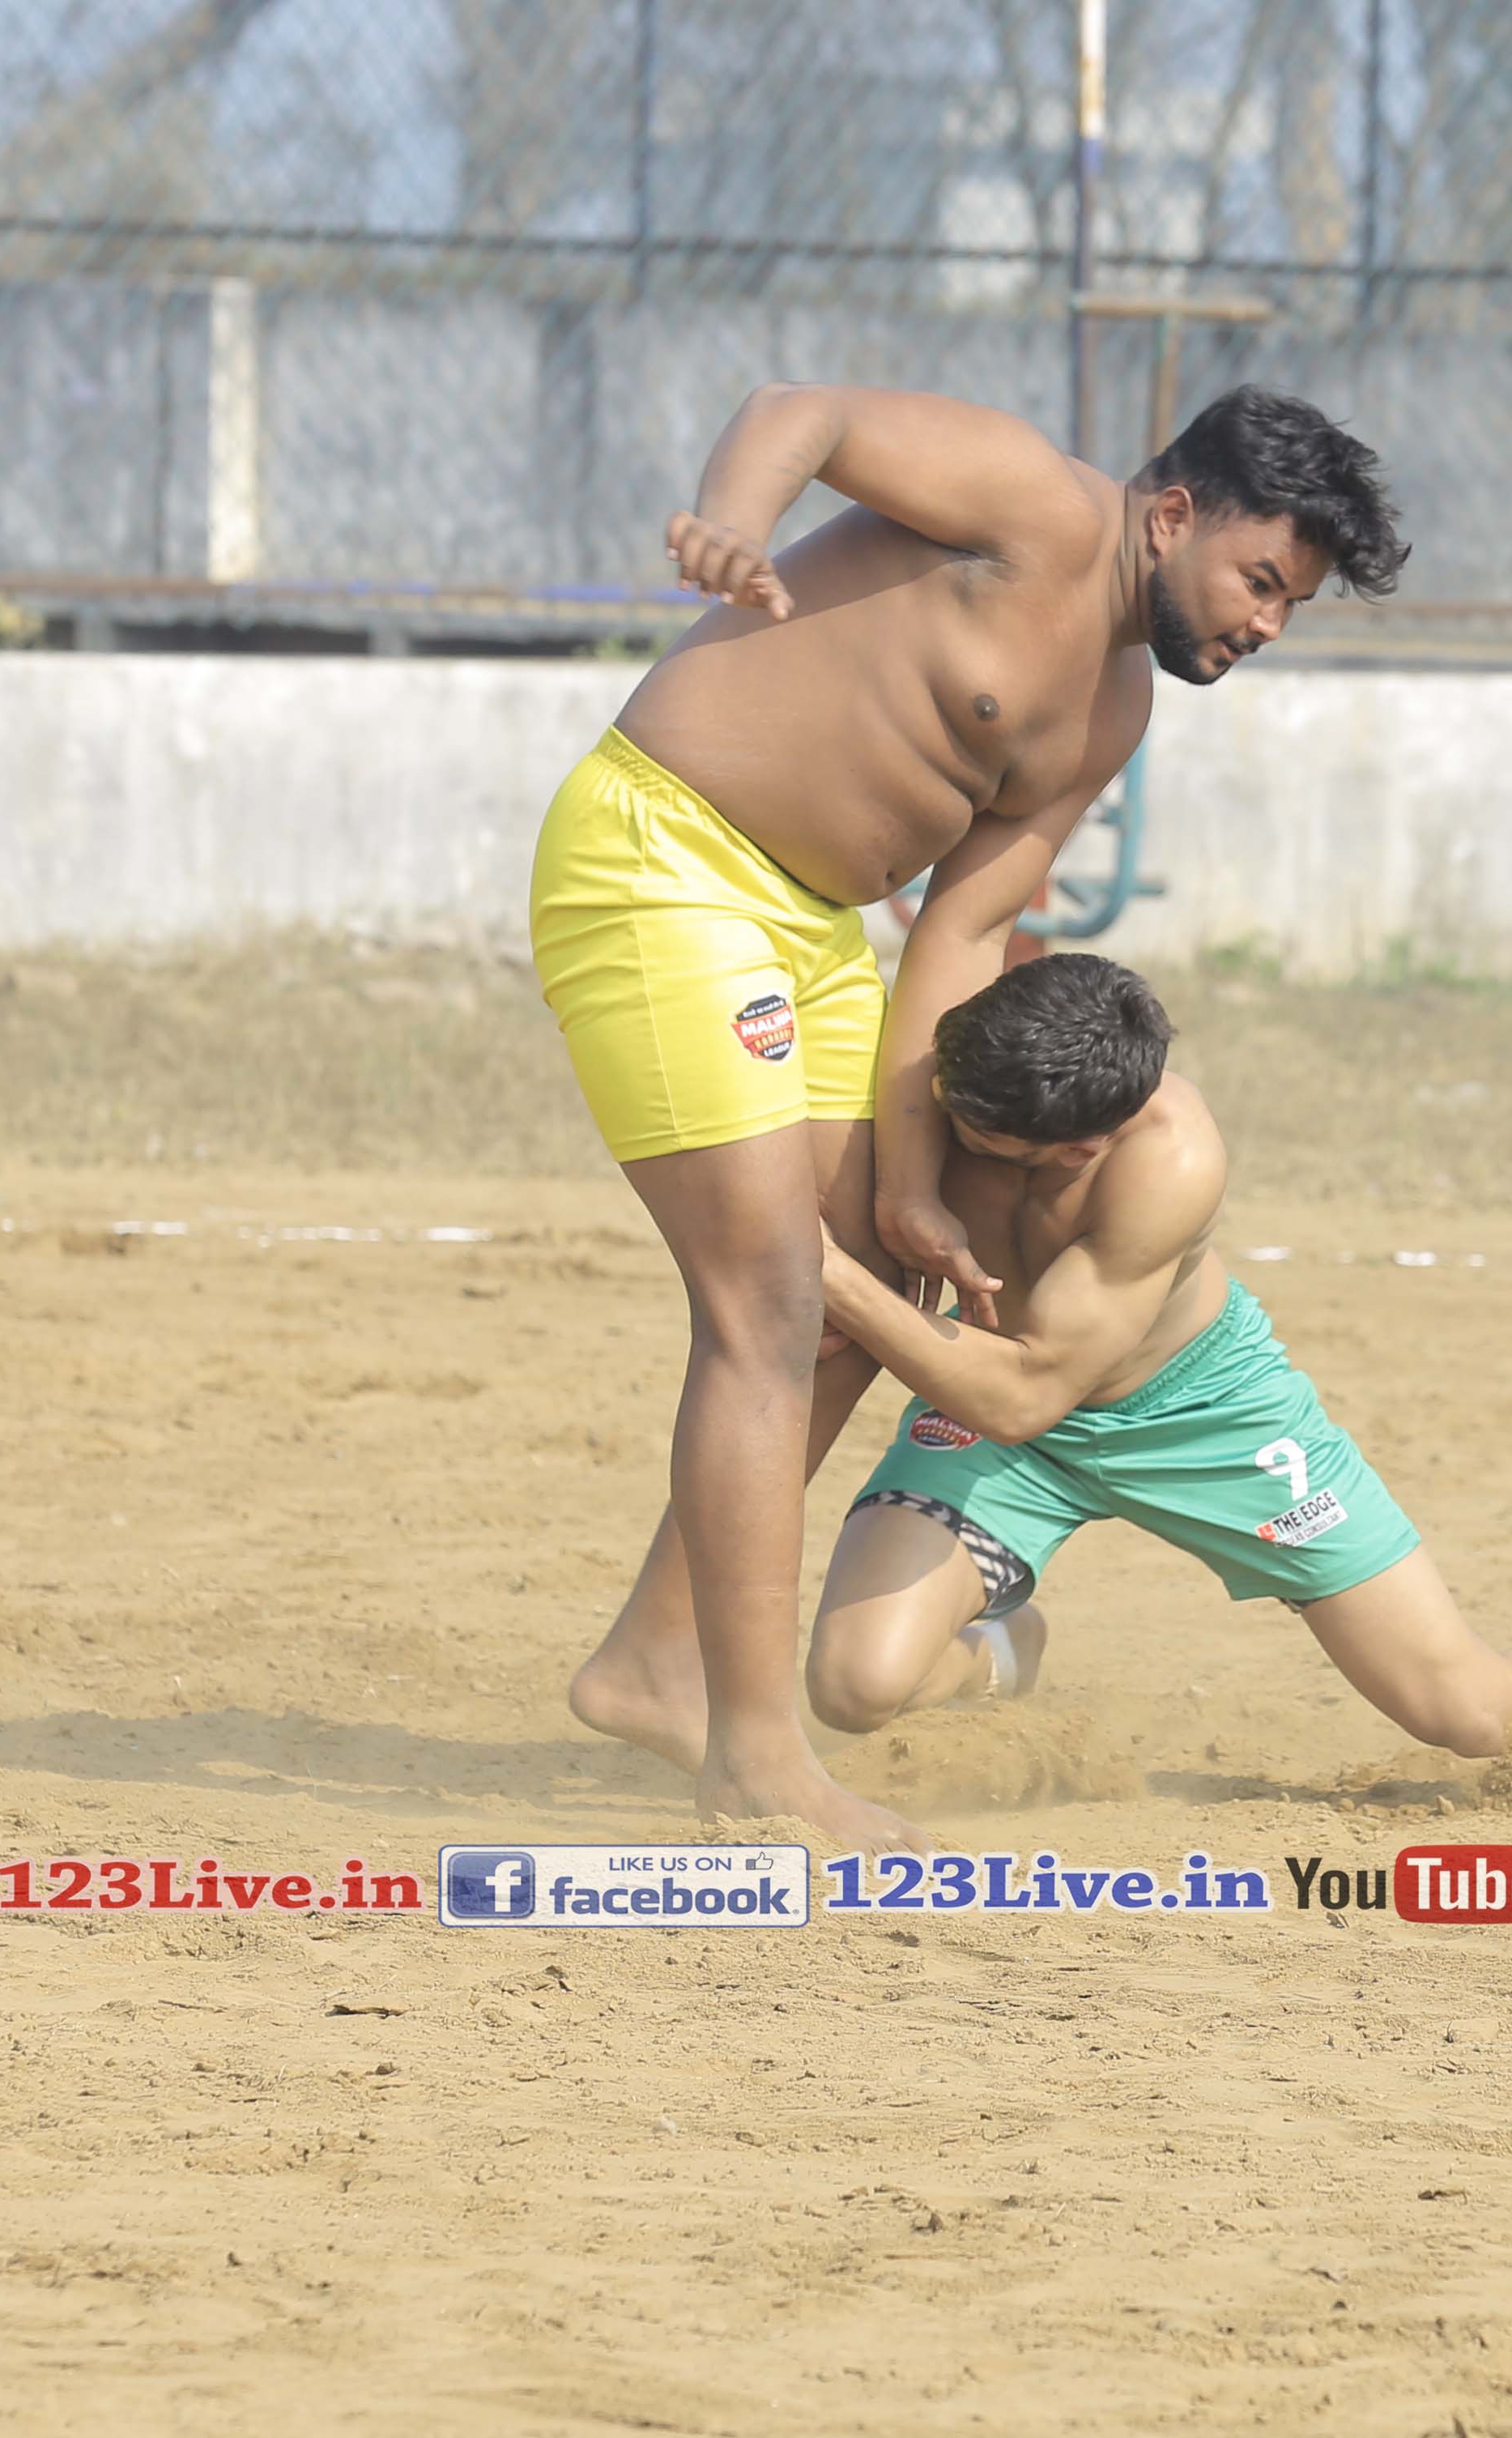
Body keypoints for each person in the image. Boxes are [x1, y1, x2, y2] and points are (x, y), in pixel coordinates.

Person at [530, 381, 1407, 1849]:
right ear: (1174, 514)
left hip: (817, 932)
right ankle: (756, 1759)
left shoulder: (1113, 709)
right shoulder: (1030, 500)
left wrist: (915, 1178)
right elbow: (803, 411)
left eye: (1292, 607)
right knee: (770, 1297)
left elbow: (959, 934)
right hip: (668, 863)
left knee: (855, 1298)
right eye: (1261, 581)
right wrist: (735, 522)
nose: (1266, 623)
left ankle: (656, 1664)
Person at [799, 954, 1512, 1809]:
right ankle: (1008, 1652)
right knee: (852, 1687)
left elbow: (1023, 1394)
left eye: (976, 1135)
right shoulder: (973, 1062)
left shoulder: (1168, 1163)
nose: (942, 1123)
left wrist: (836, 1279)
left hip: (1200, 1418)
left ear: (1078, 1148)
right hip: (1003, 1414)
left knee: (1468, 1709)